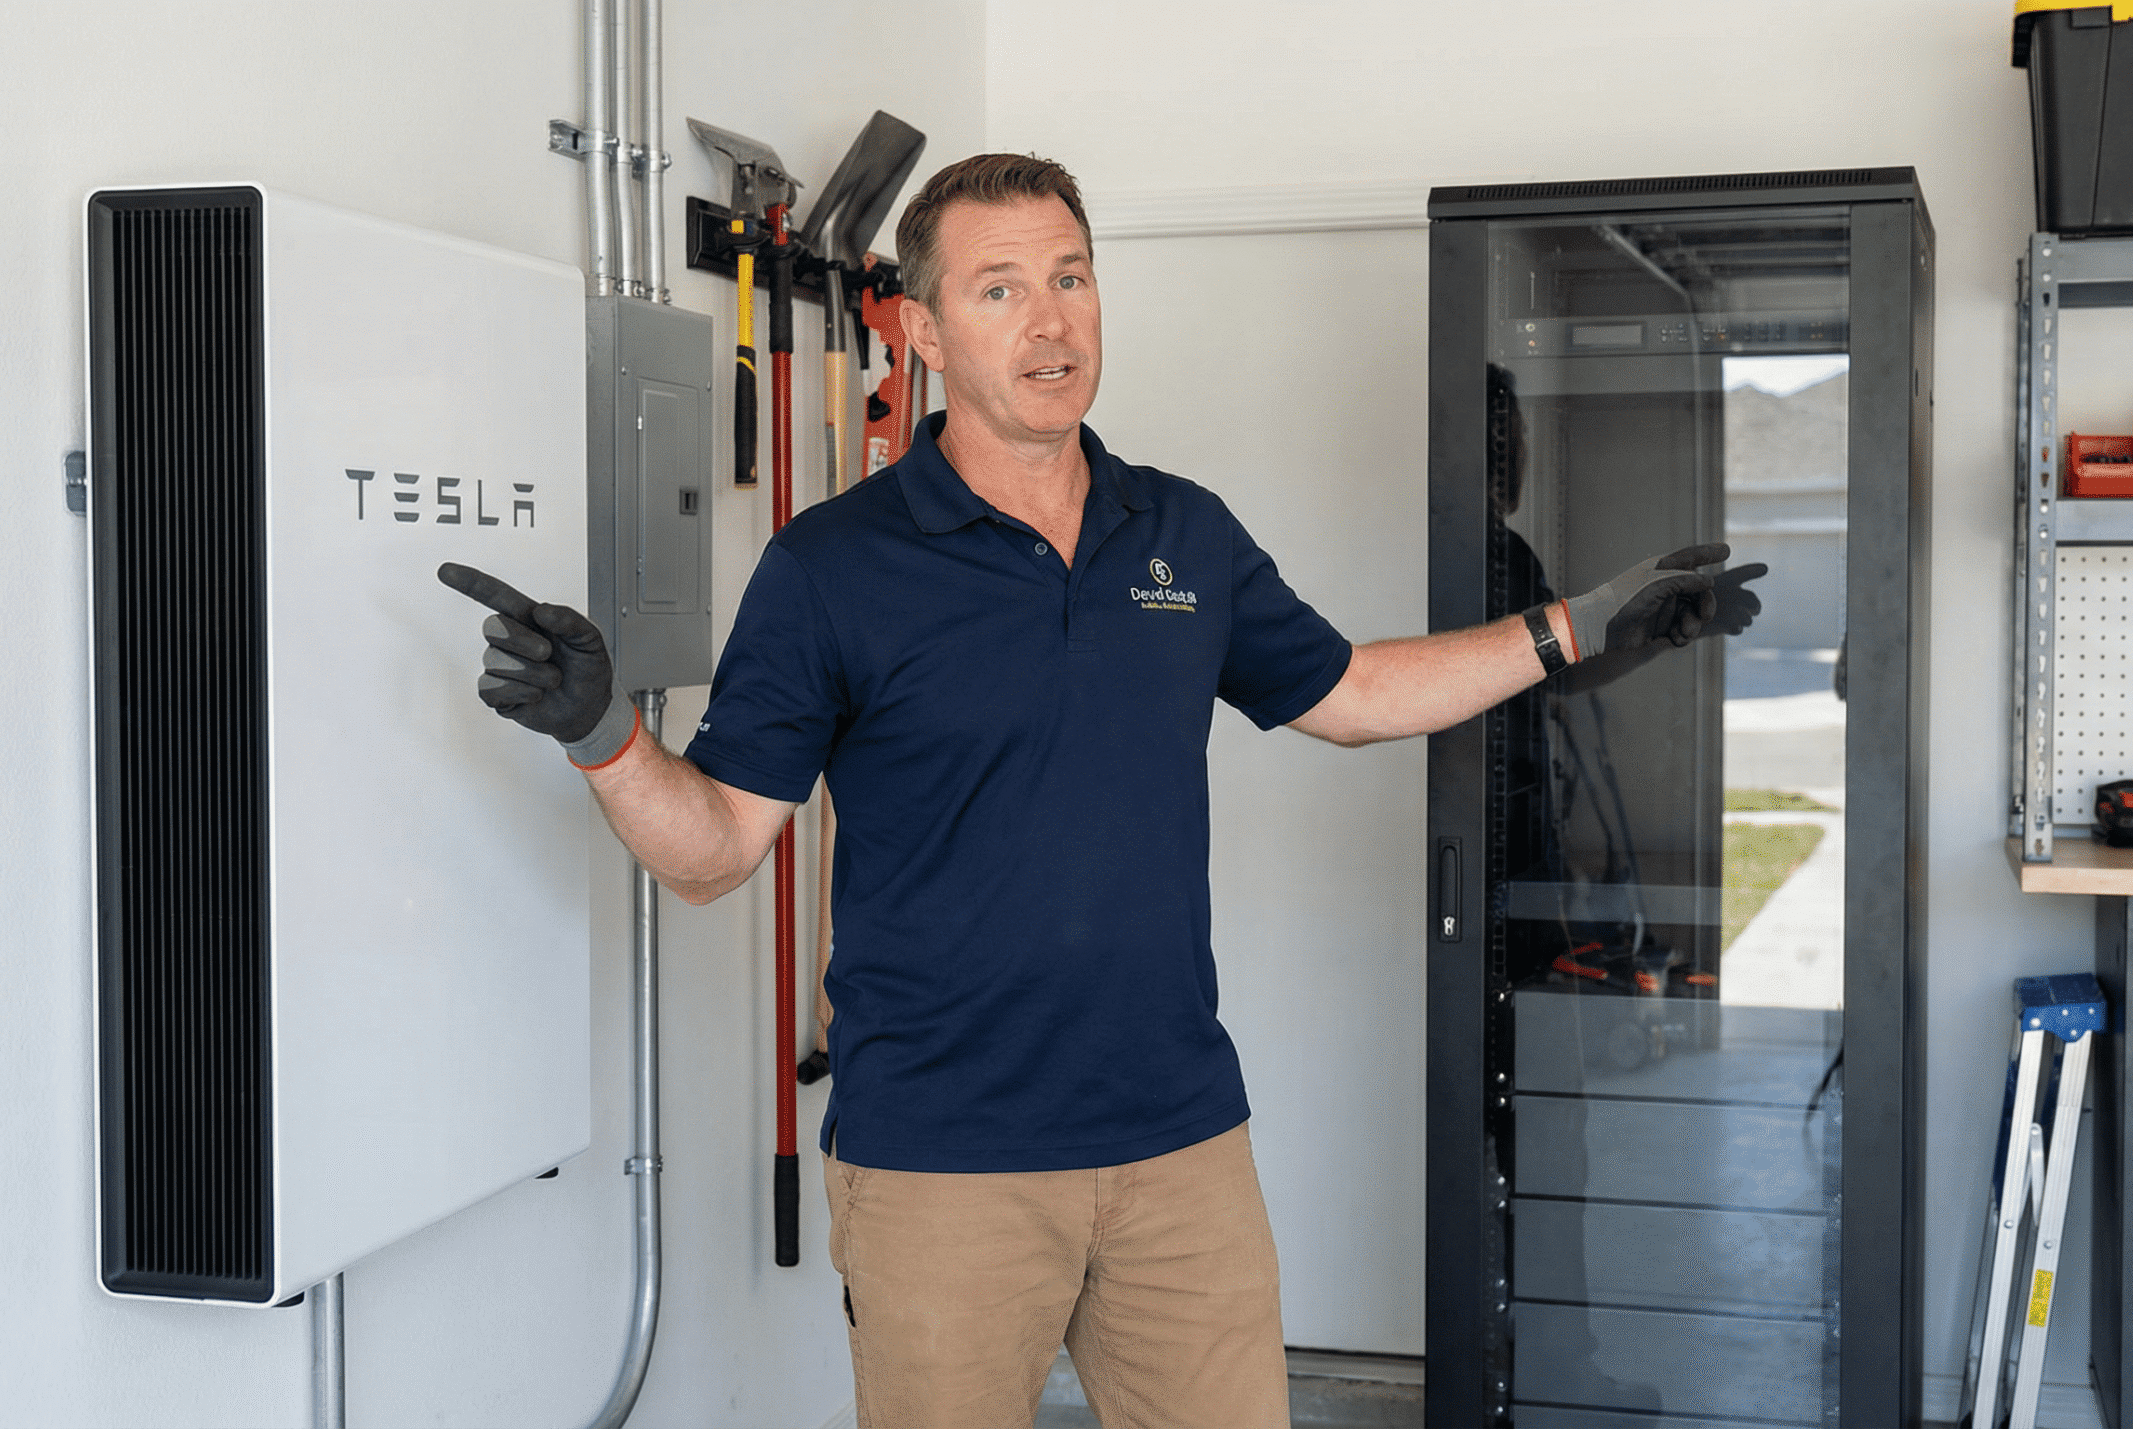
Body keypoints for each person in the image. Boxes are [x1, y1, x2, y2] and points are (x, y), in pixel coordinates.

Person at [441, 153, 1729, 1429]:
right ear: (923, 330)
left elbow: (1352, 694)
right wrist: (602, 730)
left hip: (1182, 1150)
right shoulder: (829, 567)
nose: (1051, 319)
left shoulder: (1183, 534)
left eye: (1072, 277)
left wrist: (1578, 625)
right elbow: (717, 846)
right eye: (1000, 289)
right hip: (941, 1165)